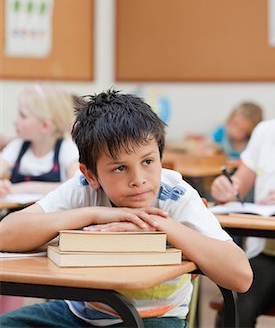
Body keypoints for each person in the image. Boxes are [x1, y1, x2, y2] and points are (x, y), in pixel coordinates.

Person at [0, 89, 252, 328]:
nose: (139, 179)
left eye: (148, 161)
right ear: (91, 175)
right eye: (120, 168)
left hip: (155, 317)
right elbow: (6, 234)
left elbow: (240, 276)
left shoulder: (176, 195)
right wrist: (94, 213)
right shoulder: (82, 188)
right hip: (81, 315)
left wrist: (161, 226)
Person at [211, 79, 275, 328]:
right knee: (235, 308)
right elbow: (238, 186)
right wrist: (226, 189)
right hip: (267, 251)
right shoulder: (266, 132)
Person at [0, 83, 79, 196]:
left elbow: (76, 185)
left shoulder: (66, 148)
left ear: (45, 126)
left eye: (23, 116)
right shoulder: (17, 146)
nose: (14, 121)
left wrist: (24, 188)